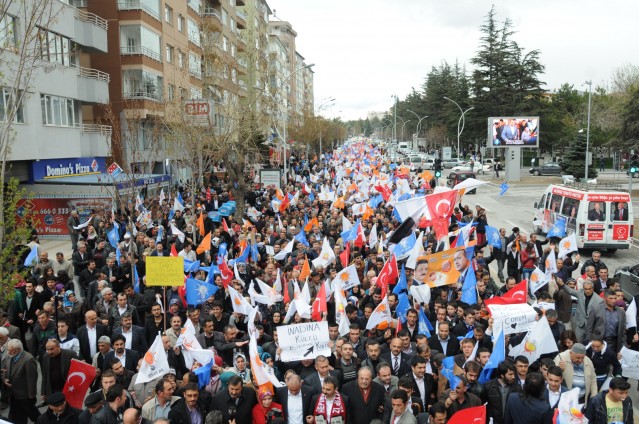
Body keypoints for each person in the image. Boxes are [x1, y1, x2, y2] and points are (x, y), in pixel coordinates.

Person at [2, 339, 40, 424]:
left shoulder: (28, 359)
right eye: (8, 349)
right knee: (16, 416)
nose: (8, 352)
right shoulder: (8, 356)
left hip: (25, 395)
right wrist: (4, 379)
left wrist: (31, 396)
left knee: (33, 414)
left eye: (11, 350)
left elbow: (32, 379)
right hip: (12, 394)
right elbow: (3, 370)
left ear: (18, 349)